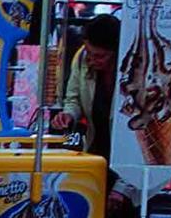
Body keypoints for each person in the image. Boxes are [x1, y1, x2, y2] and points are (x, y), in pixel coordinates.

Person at [54, 14, 137, 215]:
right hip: (96, 150)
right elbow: (73, 97)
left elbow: (139, 138)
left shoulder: (137, 71)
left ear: (117, 53)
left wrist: (123, 188)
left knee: (122, 209)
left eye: (99, 56)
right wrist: (69, 115)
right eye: (90, 53)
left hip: (130, 157)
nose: (92, 60)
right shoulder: (83, 58)